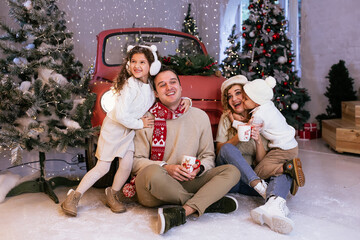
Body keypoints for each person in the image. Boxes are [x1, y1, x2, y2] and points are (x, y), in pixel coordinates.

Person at [60, 45, 191, 217]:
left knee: (126, 165)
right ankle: (74, 196)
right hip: (114, 130)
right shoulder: (129, 85)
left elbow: (164, 94)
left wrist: (186, 99)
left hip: (128, 132)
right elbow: (120, 115)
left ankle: (113, 194)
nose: (137, 65)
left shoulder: (150, 85)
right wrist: (140, 123)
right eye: (134, 61)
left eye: (142, 62)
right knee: (103, 168)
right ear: (129, 65)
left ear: (152, 65)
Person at [132, 67, 240, 234]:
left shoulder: (200, 116)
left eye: (173, 82)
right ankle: (206, 202)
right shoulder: (146, 119)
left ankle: (184, 211)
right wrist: (166, 167)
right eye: (162, 85)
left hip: (189, 180)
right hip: (155, 187)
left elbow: (208, 156)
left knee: (232, 171)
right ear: (155, 93)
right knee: (152, 173)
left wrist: (200, 169)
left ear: (181, 87)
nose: (169, 87)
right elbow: (136, 161)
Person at [215, 75, 305, 234]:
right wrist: (237, 133)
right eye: (229, 96)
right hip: (235, 177)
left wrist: (257, 141)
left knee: (284, 170)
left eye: (238, 93)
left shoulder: (260, 117)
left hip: (254, 175)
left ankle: (274, 206)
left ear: (247, 97)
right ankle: (267, 191)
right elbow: (220, 151)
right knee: (228, 149)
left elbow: (263, 163)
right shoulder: (226, 118)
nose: (235, 99)